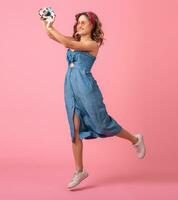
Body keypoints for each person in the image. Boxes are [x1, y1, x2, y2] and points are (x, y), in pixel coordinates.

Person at [40, 11, 146, 190]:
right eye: (78, 22)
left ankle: (135, 139)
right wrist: (46, 21)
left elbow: (65, 42)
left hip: (86, 88)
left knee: (102, 123)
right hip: (70, 87)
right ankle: (79, 170)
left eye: (84, 22)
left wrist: (51, 26)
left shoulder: (91, 44)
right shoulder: (76, 41)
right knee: (74, 130)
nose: (79, 25)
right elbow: (51, 35)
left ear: (92, 26)